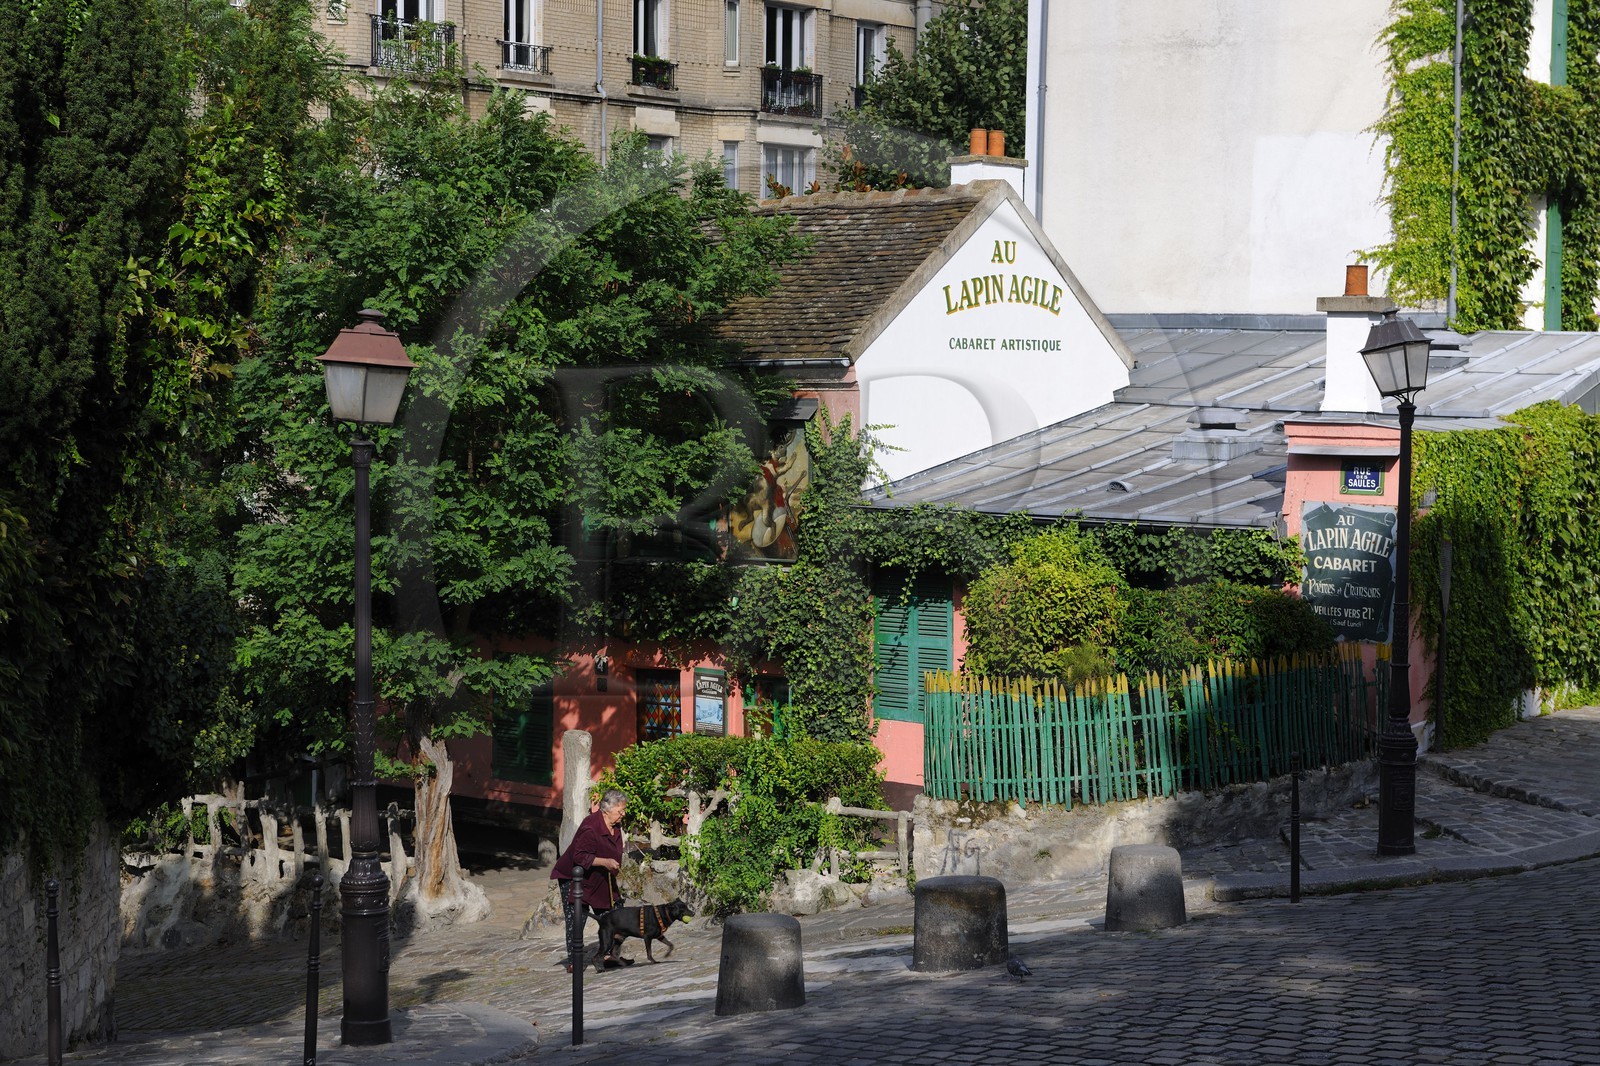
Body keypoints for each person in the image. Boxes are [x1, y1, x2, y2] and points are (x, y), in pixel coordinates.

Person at [551, 788, 629, 972]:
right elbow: (580, 857)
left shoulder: (615, 827)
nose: (623, 814)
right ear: (607, 809)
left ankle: (607, 955)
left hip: (599, 877)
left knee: (613, 915)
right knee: (577, 920)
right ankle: (574, 961)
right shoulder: (591, 826)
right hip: (574, 878)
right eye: (620, 811)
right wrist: (605, 862)